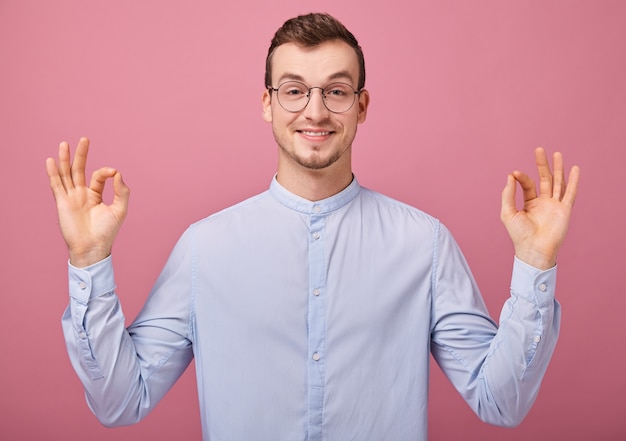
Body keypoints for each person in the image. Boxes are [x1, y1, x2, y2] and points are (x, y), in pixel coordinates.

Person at [46, 12, 580, 441]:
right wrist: (89, 258)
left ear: (362, 106)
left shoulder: (424, 244)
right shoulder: (205, 248)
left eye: (337, 90)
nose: (316, 111)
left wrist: (535, 264)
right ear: (268, 104)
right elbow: (120, 403)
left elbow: (501, 403)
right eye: (295, 89)